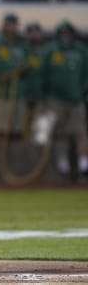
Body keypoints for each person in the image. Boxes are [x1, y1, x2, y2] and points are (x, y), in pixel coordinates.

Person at [40, 20, 88, 179]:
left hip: (76, 99)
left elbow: (86, 74)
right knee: (58, 132)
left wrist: (83, 91)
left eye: (68, 33)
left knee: (80, 132)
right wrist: (43, 99)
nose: (65, 36)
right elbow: (42, 74)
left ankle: (83, 163)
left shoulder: (81, 50)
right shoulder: (50, 50)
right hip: (55, 99)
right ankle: (62, 164)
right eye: (63, 33)